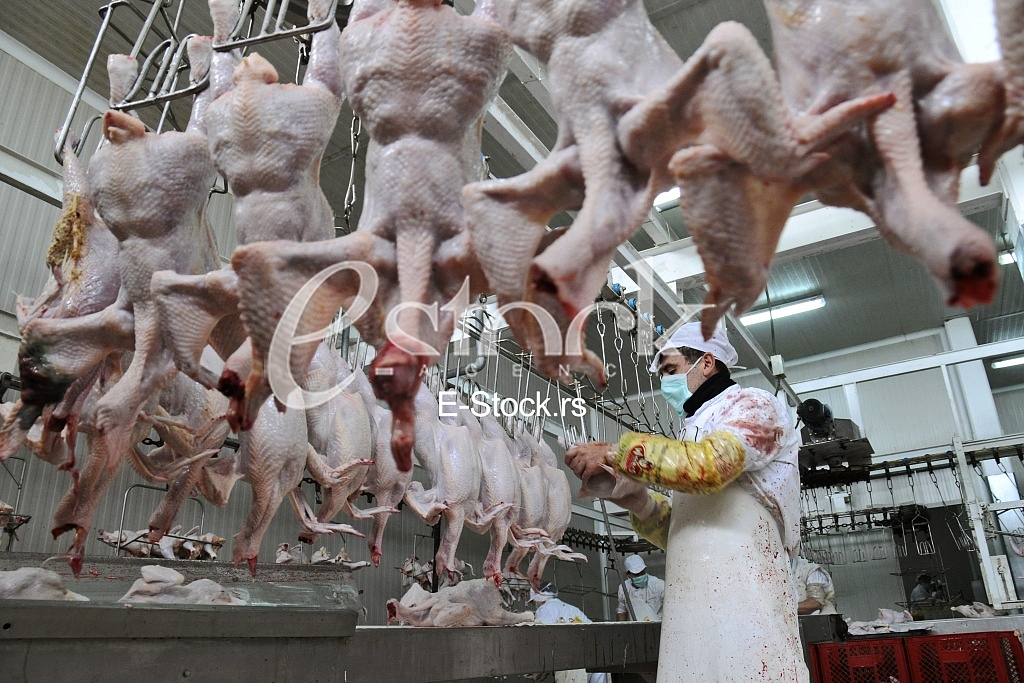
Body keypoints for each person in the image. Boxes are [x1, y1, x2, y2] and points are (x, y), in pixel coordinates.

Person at [565, 321, 806, 682]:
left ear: (707, 363)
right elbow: (689, 532)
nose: (666, 383)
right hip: (690, 613)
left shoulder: (754, 405)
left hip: (746, 605)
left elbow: (710, 466)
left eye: (671, 370)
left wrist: (618, 451)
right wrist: (638, 500)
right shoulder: (689, 433)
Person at [529, 582, 610, 683]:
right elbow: (594, 631)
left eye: (534, 602)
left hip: (574, 662)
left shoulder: (543, 610)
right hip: (598, 657)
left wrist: (541, 669)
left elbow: (546, 641)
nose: (535, 605)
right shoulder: (572, 609)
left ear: (538, 598)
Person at [616, 554, 665, 621]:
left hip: (658, 625)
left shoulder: (659, 585)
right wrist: (621, 630)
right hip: (636, 627)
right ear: (628, 574)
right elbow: (621, 611)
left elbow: (672, 607)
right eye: (636, 574)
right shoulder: (624, 588)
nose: (640, 576)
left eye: (642, 572)